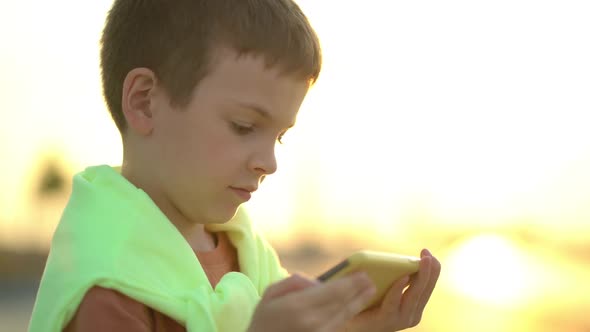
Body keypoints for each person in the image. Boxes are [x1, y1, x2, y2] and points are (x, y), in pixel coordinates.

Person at [29, 0, 441, 331]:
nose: (270, 162)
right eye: (244, 126)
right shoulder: (111, 289)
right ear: (144, 101)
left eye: (279, 136)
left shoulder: (247, 252)